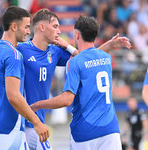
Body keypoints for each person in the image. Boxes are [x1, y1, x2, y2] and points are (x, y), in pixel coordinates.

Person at [16, 8, 131, 150]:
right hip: (20, 123)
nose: (59, 31)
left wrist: (67, 46)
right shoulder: (20, 50)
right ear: (42, 27)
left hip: (38, 122)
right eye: (55, 26)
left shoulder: (55, 51)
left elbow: (86, 60)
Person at [0, 6, 49, 150]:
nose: (28, 31)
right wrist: (37, 123)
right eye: (26, 27)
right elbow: (13, 95)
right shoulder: (13, 54)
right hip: (9, 128)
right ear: (14, 26)